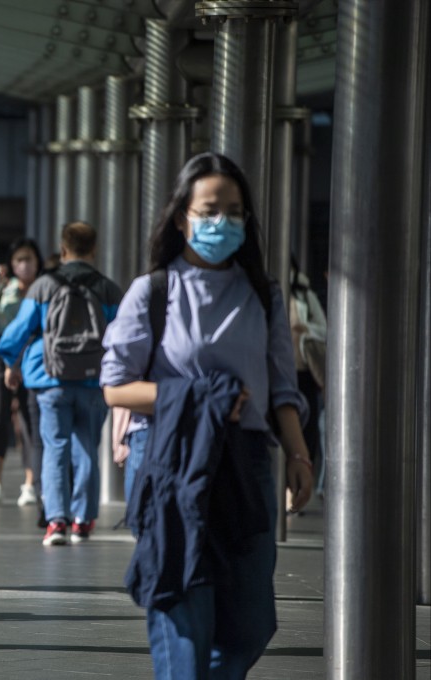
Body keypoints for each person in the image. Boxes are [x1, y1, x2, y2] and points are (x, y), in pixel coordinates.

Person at [99, 152, 313, 678]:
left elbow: (283, 387)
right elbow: (115, 388)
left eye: (234, 210)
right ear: (181, 217)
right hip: (172, 459)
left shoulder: (263, 295)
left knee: (251, 622)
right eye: (210, 209)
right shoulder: (152, 292)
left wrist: (299, 455)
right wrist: (203, 395)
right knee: (184, 608)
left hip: (247, 463)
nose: (223, 221)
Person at [0, 222, 123, 546]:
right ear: (93, 249)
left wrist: (12, 362)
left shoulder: (44, 286)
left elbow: (17, 331)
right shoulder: (108, 288)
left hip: (50, 380)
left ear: (63, 250)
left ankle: (56, 522)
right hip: (94, 382)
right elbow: (124, 336)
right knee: (87, 450)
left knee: (55, 448)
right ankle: (83, 520)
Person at [0, 237, 43, 507]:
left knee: (31, 418)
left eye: (29, 259)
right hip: (0, 355)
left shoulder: (44, 288)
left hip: (33, 356)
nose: (24, 265)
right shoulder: (4, 288)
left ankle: (30, 483)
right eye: (19, 260)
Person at [289, 255, 326, 494]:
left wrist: (306, 329)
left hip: (303, 372)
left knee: (308, 430)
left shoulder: (305, 294)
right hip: (280, 372)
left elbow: (325, 329)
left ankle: (301, 483)